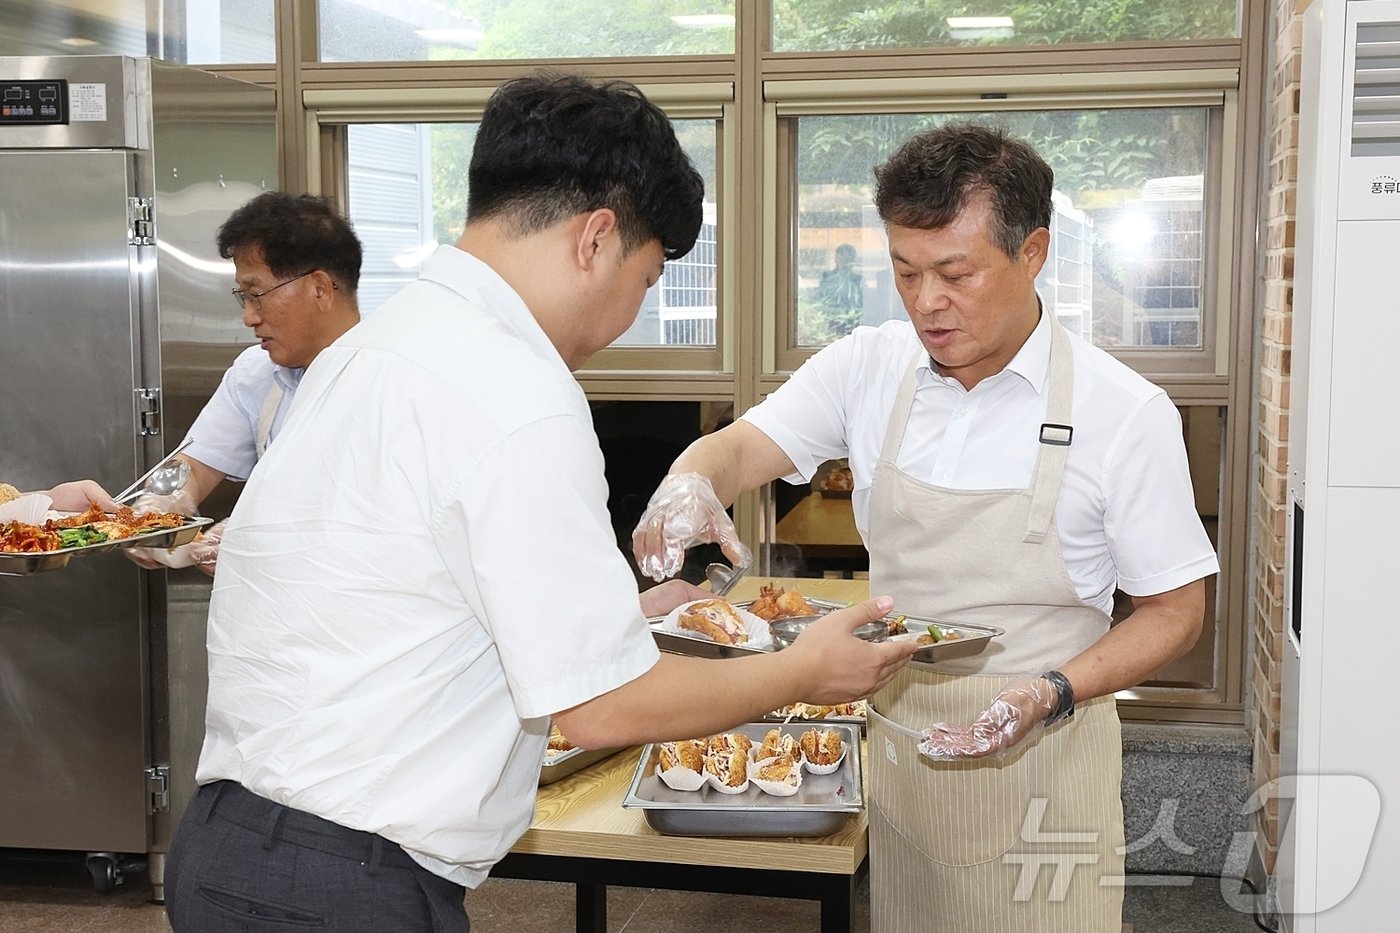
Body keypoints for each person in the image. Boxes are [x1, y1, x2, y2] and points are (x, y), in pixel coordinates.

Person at [162, 73, 917, 933]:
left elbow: (395, 589)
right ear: (596, 238)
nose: (630, 316)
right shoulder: (516, 391)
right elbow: (602, 709)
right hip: (336, 884)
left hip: (230, 847)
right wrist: (806, 668)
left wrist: (617, 613)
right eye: (645, 279)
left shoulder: (374, 349)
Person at [632, 121, 1220, 931]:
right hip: (907, 746)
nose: (926, 302)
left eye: (956, 272)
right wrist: (689, 480)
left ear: (1034, 252)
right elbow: (735, 448)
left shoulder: (1123, 412)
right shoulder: (869, 367)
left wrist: (1049, 691)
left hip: (1046, 757)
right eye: (906, 272)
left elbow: (1176, 610)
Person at [125, 191, 362, 573]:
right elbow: (195, 466)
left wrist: (266, 536)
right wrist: (157, 509)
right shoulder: (256, 373)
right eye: (243, 298)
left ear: (319, 288)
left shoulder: (393, 380)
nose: (249, 318)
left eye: (257, 295)